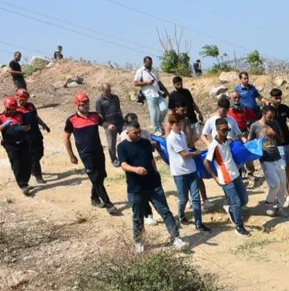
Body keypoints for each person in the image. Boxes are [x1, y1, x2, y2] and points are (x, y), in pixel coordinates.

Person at [119, 120, 187, 253]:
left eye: (140, 132)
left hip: (153, 184)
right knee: (138, 217)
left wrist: (156, 174)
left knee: (165, 212)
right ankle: (139, 242)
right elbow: (123, 164)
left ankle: (176, 238)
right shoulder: (122, 147)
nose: (139, 134)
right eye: (135, 133)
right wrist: (135, 169)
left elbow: (150, 159)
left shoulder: (145, 143)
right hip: (136, 188)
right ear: (128, 132)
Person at [64, 92, 117, 215]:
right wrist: (71, 155)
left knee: (101, 175)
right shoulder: (71, 120)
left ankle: (94, 198)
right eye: (83, 104)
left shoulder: (94, 116)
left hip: (98, 150)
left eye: (87, 103)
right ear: (77, 105)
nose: (86, 106)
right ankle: (108, 204)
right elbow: (66, 138)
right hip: (85, 154)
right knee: (95, 178)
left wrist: (108, 126)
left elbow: (103, 123)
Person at [204, 118, 251, 237]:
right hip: (226, 179)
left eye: (228, 130)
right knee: (236, 202)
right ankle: (239, 227)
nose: (226, 132)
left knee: (244, 200)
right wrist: (215, 177)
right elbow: (206, 162)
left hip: (235, 174)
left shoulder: (228, 141)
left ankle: (231, 210)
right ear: (217, 130)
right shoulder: (214, 146)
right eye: (224, 130)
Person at [166, 114, 211, 233]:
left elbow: (188, 146)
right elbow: (184, 154)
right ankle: (181, 215)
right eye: (177, 125)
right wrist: (195, 153)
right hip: (179, 172)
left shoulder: (181, 135)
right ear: (171, 125)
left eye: (180, 124)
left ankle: (198, 223)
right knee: (183, 198)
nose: (179, 127)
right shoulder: (171, 138)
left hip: (191, 169)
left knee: (196, 198)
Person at [249, 106, 288, 217]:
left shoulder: (274, 124)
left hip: (277, 157)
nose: (271, 120)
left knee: (283, 183)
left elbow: (282, 140)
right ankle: (269, 203)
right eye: (269, 117)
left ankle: (280, 207)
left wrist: (274, 134)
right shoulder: (255, 126)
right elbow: (250, 142)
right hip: (265, 159)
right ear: (264, 114)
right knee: (275, 184)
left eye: (273, 117)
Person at [268, 88, 289, 205]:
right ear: (271, 98)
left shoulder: (284, 108)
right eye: (276, 98)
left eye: (280, 98)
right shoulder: (267, 111)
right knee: (281, 170)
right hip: (277, 144)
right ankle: (287, 196)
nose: (278, 100)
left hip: (288, 141)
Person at [0, 96, 33, 196]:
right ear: (6, 108)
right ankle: (23, 185)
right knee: (17, 165)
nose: (13, 111)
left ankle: (26, 181)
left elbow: (28, 127)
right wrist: (4, 125)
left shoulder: (21, 115)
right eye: (11, 109)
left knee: (27, 163)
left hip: (23, 142)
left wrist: (21, 128)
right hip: (10, 145)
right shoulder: (1, 117)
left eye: (14, 109)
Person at [16, 89, 50, 184]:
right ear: (17, 97)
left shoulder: (30, 106)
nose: (24, 101)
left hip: (36, 133)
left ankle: (31, 167)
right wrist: (22, 128)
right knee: (34, 155)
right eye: (22, 99)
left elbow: (36, 116)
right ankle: (38, 175)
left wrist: (43, 124)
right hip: (26, 137)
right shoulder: (15, 110)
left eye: (25, 99)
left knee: (40, 153)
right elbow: (13, 126)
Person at [227, 90, 258, 185]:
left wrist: (250, 129)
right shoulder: (228, 111)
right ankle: (240, 175)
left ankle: (250, 173)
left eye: (238, 97)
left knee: (247, 153)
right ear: (231, 99)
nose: (236, 99)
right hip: (233, 136)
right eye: (234, 98)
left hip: (244, 133)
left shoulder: (244, 109)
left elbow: (253, 118)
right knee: (237, 155)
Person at [133, 56, 168, 135]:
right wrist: (147, 83)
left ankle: (159, 123)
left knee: (164, 108)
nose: (150, 64)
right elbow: (135, 83)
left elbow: (158, 81)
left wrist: (165, 90)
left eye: (151, 63)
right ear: (144, 62)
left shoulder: (154, 70)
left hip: (157, 92)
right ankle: (156, 129)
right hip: (148, 94)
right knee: (154, 113)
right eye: (148, 63)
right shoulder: (140, 71)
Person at [95, 83, 124, 167]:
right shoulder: (99, 101)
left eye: (110, 90)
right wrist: (107, 125)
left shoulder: (115, 97)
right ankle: (114, 160)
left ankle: (127, 156)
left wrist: (123, 120)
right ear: (102, 90)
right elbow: (99, 116)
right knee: (111, 144)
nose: (109, 92)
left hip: (120, 123)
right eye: (107, 91)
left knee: (126, 138)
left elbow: (119, 109)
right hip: (110, 125)